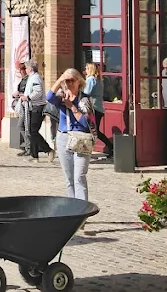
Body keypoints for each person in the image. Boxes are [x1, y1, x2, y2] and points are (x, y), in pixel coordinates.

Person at [47, 69, 92, 201]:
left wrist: (72, 107)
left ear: (79, 81)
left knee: (79, 177)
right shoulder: (61, 97)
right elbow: (49, 97)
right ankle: (73, 209)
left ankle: (82, 209)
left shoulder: (84, 100)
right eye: (68, 81)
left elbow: (86, 122)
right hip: (63, 138)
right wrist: (60, 80)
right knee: (69, 178)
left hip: (80, 138)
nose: (70, 83)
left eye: (73, 80)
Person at [23, 60, 51, 162]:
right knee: (32, 131)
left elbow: (38, 92)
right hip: (32, 106)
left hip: (38, 107)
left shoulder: (36, 78)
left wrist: (28, 97)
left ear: (30, 68)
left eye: (26, 68)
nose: (25, 69)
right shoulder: (32, 77)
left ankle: (47, 149)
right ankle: (34, 155)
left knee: (33, 131)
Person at [84, 62, 111, 153]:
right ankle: (110, 146)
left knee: (90, 130)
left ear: (91, 70)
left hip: (93, 108)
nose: (85, 70)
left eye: (87, 68)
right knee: (95, 131)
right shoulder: (97, 80)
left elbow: (86, 92)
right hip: (99, 107)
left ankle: (87, 149)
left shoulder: (91, 79)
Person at [12, 60, 31, 156]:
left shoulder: (28, 79)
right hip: (21, 105)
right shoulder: (23, 79)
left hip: (26, 105)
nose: (20, 71)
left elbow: (28, 92)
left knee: (22, 126)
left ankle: (29, 147)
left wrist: (19, 94)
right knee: (23, 126)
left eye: (22, 69)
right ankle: (27, 147)